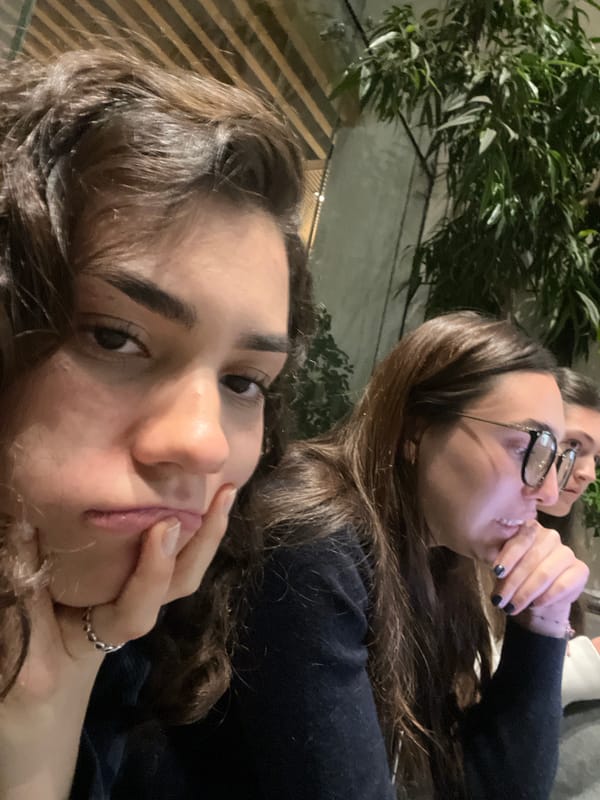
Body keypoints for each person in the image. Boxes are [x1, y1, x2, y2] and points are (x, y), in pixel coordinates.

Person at [0, 48, 312, 799]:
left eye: (243, 382)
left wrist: (52, 696)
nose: (203, 445)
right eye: (114, 337)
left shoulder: (141, 660)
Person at [206, 312, 590, 800]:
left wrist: (544, 621)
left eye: (559, 456)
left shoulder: (435, 556)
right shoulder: (315, 543)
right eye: (529, 448)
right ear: (416, 429)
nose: (549, 489)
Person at [537, 367, 600, 706]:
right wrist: (591, 661)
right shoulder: (465, 542)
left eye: (596, 459)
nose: (589, 473)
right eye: (574, 445)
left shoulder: (557, 546)